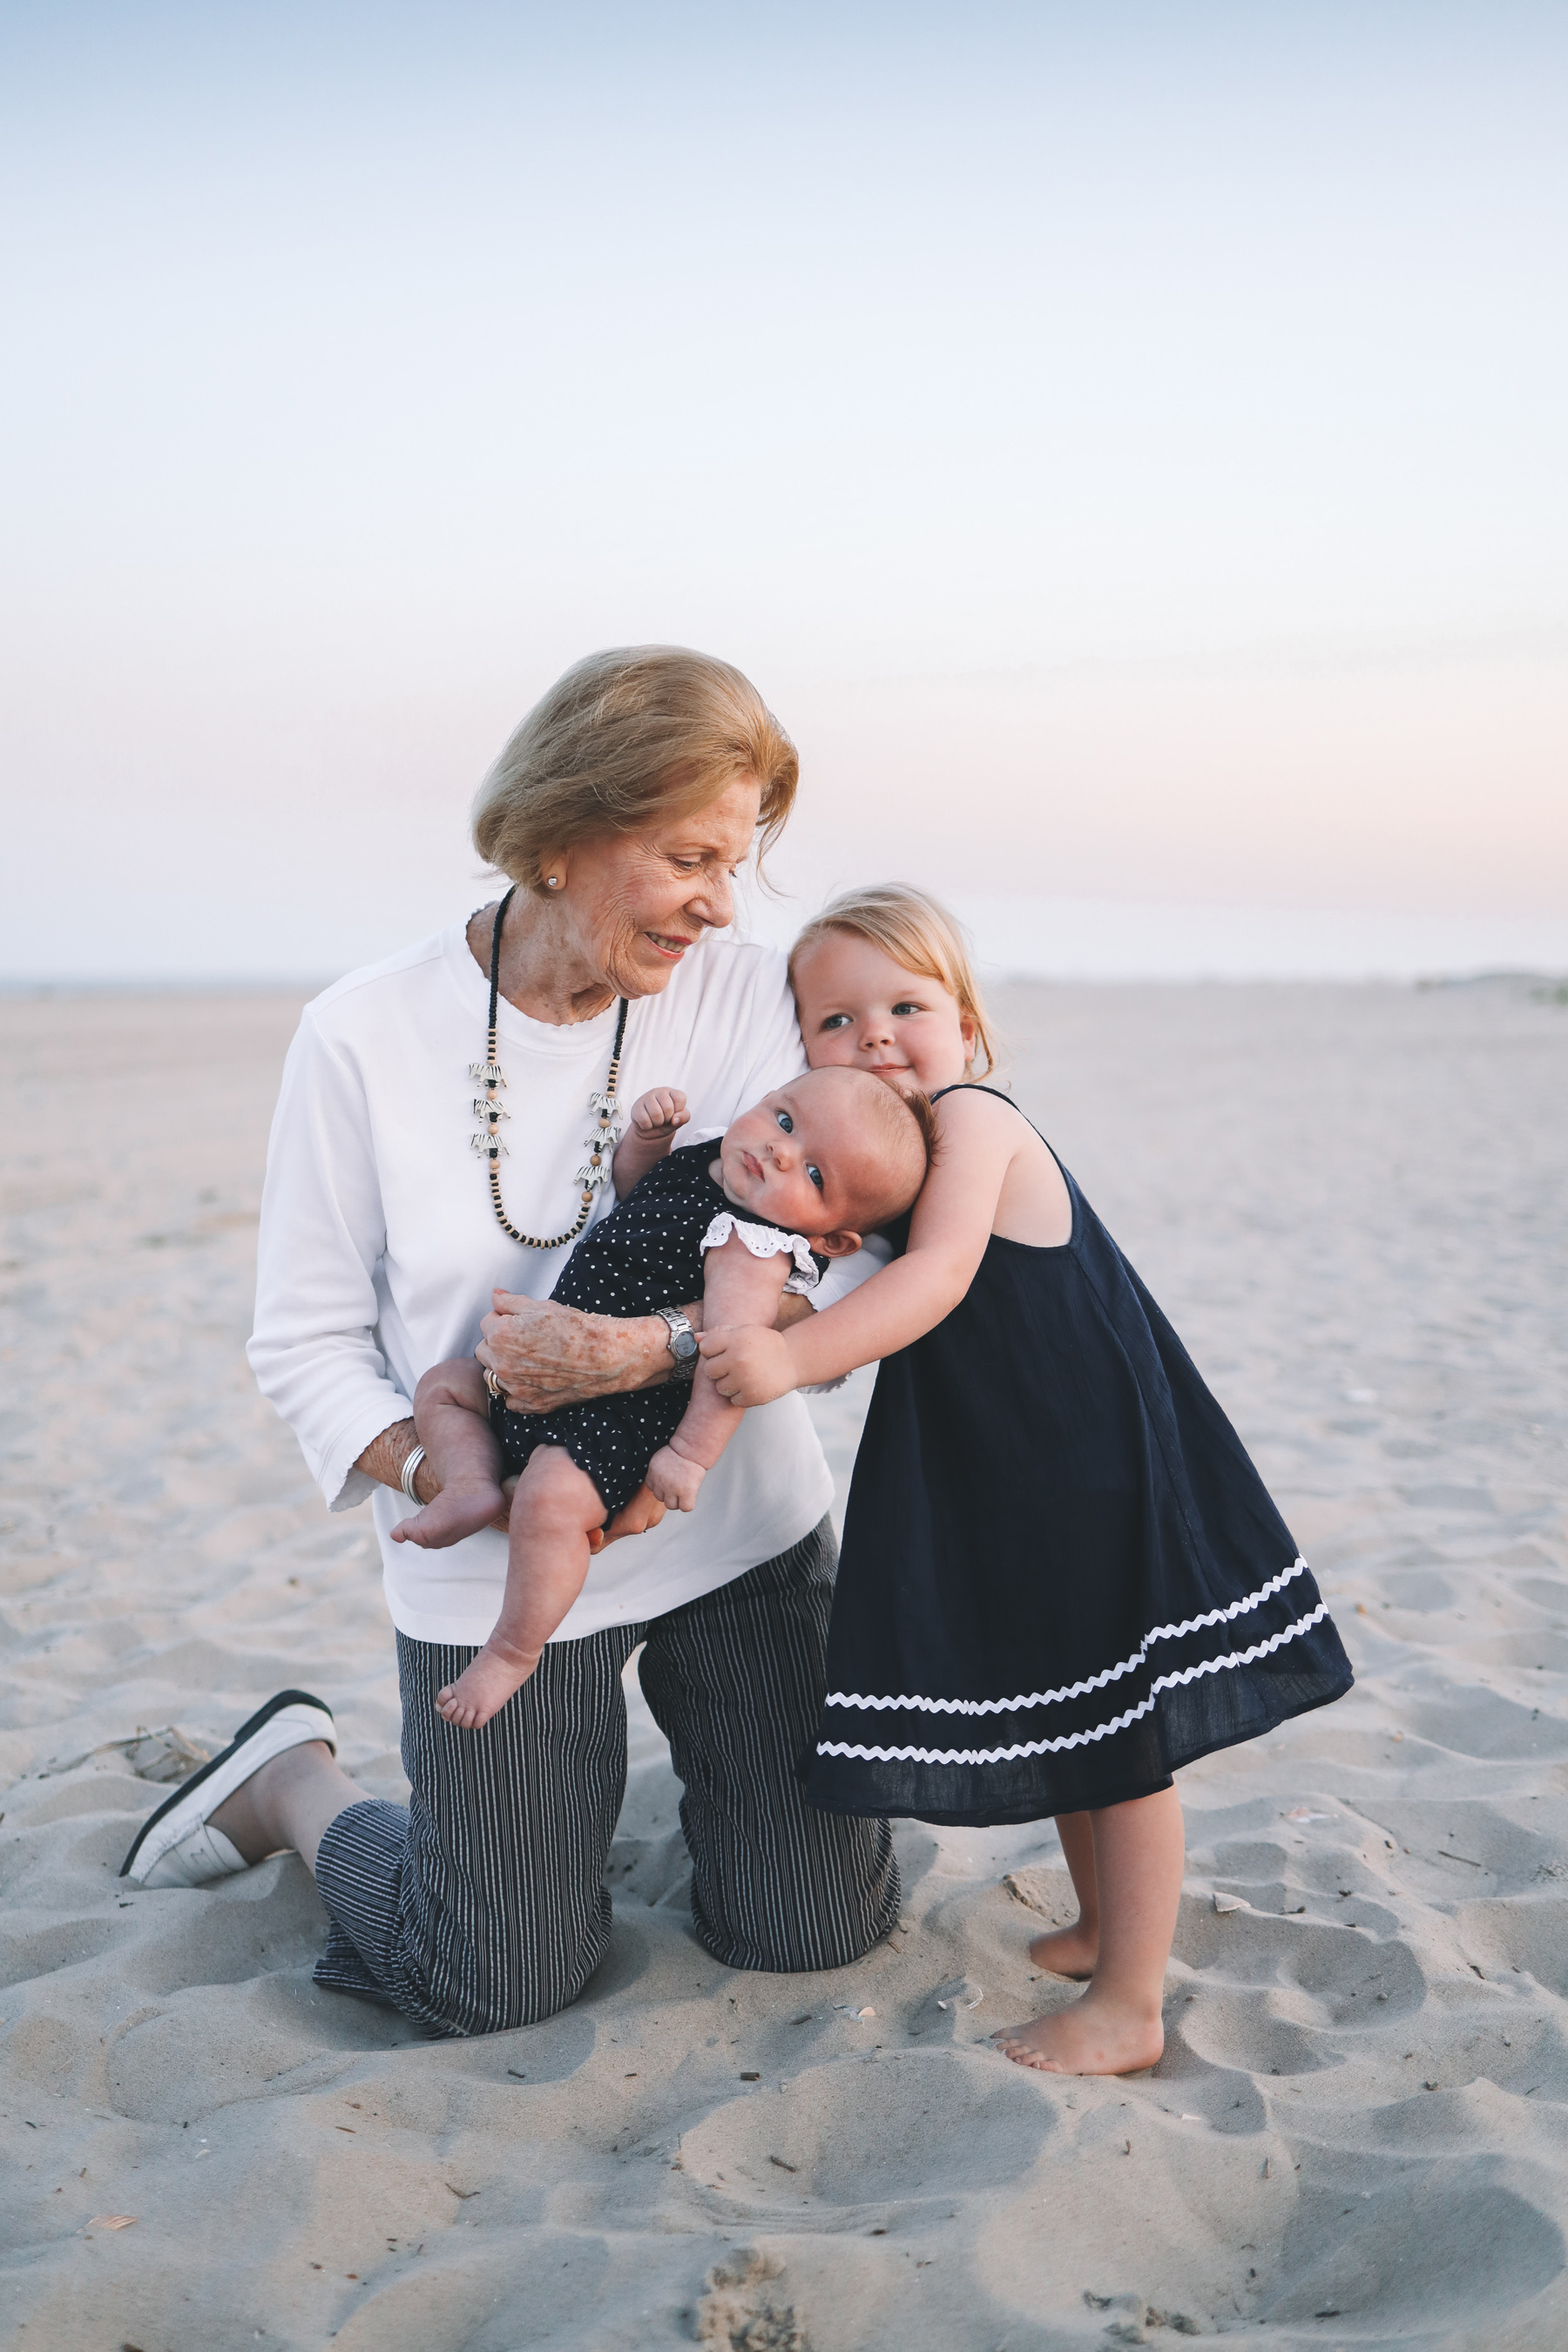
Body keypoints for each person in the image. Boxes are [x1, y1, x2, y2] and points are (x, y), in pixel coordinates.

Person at [118, 648, 903, 2040]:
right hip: (499, 1576)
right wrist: (459, 1481)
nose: (724, 901)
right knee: (493, 1982)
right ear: (562, 831)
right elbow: (300, 1343)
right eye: (689, 855)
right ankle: (293, 1779)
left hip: (732, 1525)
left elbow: (852, 1250)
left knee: (816, 1928)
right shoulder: (359, 1036)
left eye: (740, 858)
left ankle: (681, 1779)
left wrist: (641, 1353)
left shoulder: (749, 996)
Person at [700, 884, 1355, 2078]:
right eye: (835, 1023)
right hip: (1007, 1458)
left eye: (907, 1004)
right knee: (1078, 1700)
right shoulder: (877, 1162)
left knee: (1127, 1736)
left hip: (1081, 1455)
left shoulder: (976, 1120)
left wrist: (784, 1359)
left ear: (969, 1024)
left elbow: (939, 1281)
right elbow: (836, 1264)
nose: (876, 1037)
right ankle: (1103, 1926)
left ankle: (1131, 2003)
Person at [397, 1063, 933, 1730]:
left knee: (551, 1500)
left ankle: (511, 1650)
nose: (779, 1149)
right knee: (444, 1388)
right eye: (785, 1119)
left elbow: (730, 1359)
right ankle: (471, 1482)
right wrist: (648, 1146)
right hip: (539, 1374)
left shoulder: (754, 1245)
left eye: (815, 1175)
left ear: (830, 1240)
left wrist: (687, 1455)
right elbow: (635, 1198)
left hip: (622, 1416)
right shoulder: (708, 1158)